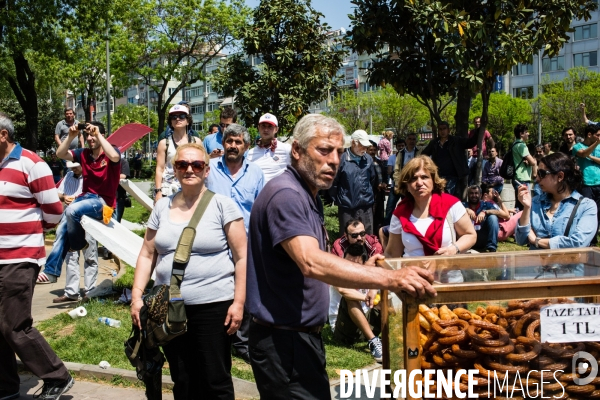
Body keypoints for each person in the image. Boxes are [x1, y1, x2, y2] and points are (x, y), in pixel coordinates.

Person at [246, 114, 436, 399]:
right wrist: (391, 278)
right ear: (296, 150)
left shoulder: (304, 194)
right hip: (283, 344)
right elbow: (310, 261)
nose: (334, 160)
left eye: (338, 152)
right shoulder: (285, 194)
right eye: (324, 150)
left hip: (299, 339)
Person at [131, 143, 247, 399]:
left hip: (213, 306)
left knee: (214, 378)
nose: (190, 170)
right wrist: (137, 296)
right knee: (182, 378)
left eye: (197, 165)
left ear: (207, 170)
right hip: (169, 307)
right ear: (175, 169)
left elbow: (241, 257)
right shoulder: (162, 207)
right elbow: (147, 254)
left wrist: (238, 303)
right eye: (183, 165)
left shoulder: (223, 206)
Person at [0, 112, 75, 400]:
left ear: (3, 135)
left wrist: (26, 228)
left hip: (20, 256)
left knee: (14, 324)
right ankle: (5, 387)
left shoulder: (32, 164)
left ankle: (57, 377)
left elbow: (54, 213)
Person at [205, 124, 264, 363]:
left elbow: (259, 209)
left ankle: (241, 341)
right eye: (229, 141)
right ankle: (220, 335)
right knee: (218, 287)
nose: (233, 146)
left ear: (246, 147)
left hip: (246, 242)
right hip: (214, 240)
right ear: (223, 144)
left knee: (245, 288)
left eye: (238, 142)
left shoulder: (256, 173)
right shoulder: (209, 170)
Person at [39, 122, 121, 283]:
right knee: (62, 228)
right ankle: (51, 271)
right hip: (85, 197)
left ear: (101, 135)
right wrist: (71, 136)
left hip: (103, 202)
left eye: (93, 134)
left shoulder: (111, 152)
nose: (90, 138)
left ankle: (77, 243)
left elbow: (115, 157)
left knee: (71, 211)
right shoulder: (83, 154)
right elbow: (61, 153)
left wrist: (98, 134)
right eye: (88, 135)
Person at [384, 155, 477, 259]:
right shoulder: (400, 213)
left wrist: (454, 249)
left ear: (433, 180)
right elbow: (392, 254)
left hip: (448, 273)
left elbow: (470, 235)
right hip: (412, 274)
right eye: (413, 178)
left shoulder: (451, 204)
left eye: (424, 177)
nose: (419, 183)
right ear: (407, 185)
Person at [516, 152, 597, 249]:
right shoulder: (535, 202)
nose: (537, 179)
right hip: (537, 264)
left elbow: (577, 243)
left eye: (541, 174)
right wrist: (527, 207)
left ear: (560, 176)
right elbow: (520, 240)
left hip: (568, 264)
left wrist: (536, 241)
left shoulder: (586, 206)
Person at [47, 161, 99, 303]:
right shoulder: (69, 176)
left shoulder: (91, 177)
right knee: (70, 256)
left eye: (76, 166)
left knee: (90, 255)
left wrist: (77, 199)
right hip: (69, 220)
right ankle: (71, 291)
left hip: (86, 219)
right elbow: (57, 192)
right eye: (71, 167)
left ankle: (90, 291)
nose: (74, 169)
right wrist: (64, 197)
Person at [329, 243, 382, 362]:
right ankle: (373, 341)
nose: (351, 269)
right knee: (350, 297)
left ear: (364, 265)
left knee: (384, 297)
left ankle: (395, 337)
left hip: (366, 320)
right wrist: (367, 298)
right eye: (348, 264)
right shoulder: (336, 275)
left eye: (356, 265)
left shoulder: (368, 273)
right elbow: (344, 290)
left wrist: (374, 290)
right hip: (344, 329)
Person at [329, 129, 377, 235]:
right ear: (354, 142)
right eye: (362, 145)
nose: (365, 149)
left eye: (366, 146)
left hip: (365, 206)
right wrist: (339, 199)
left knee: (367, 237)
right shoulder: (341, 159)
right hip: (347, 207)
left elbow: (372, 180)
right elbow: (333, 182)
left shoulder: (368, 159)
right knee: (348, 237)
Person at [154, 104, 201, 203]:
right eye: (174, 117)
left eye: (182, 116)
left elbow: (202, 166)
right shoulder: (164, 143)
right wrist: (158, 191)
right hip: (168, 189)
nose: (178, 119)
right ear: (171, 122)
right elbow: (159, 168)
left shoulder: (196, 141)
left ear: (188, 120)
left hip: (191, 187)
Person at [421, 121, 478, 199]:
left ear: (448, 130)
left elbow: (471, 143)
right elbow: (424, 155)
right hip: (438, 177)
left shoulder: (457, 141)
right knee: (438, 198)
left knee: (450, 199)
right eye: (440, 129)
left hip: (454, 177)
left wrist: (478, 130)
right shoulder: (434, 143)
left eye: (444, 129)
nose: (442, 131)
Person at [572, 124, 600, 245]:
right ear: (589, 135)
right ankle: (588, 239)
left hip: (599, 183)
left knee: (598, 212)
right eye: (598, 135)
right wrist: (595, 145)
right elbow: (582, 154)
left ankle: (594, 239)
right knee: (587, 212)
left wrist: (591, 156)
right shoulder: (577, 146)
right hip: (585, 185)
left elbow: (589, 155)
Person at [246, 113, 291, 183]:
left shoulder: (286, 149)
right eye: (263, 126)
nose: (266, 130)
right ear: (258, 127)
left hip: (277, 192)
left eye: (270, 126)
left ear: (276, 129)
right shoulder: (251, 153)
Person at [463, 185, 509, 252]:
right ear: (468, 195)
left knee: (493, 217)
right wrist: (466, 210)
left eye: (476, 193)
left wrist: (485, 212)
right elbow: (452, 211)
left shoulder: (486, 204)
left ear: (480, 195)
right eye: (471, 193)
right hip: (468, 238)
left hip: (482, 237)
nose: (474, 195)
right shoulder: (463, 205)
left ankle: (492, 248)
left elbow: (500, 213)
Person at [385, 133, 418, 225]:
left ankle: (407, 226)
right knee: (390, 207)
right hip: (398, 184)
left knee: (410, 207)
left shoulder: (419, 152)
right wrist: (396, 183)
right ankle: (386, 229)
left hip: (412, 185)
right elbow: (396, 169)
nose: (411, 141)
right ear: (406, 140)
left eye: (414, 139)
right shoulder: (401, 152)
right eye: (410, 139)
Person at [511, 124, 537, 210]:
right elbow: (532, 162)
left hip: (516, 177)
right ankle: (520, 222)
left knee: (519, 202)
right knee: (524, 204)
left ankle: (516, 221)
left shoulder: (514, 144)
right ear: (521, 134)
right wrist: (532, 161)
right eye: (526, 132)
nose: (528, 134)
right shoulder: (522, 145)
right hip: (522, 178)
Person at [367, 140, 387, 230]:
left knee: (379, 214)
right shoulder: (365, 163)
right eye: (370, 150)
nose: (373, 152)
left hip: (380, 193)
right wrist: (376, 185)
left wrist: (384, 183)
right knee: (371, 215)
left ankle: (379, 234)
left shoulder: (379, 162)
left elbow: (385, 175)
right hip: (371, 193)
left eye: (374, 150)